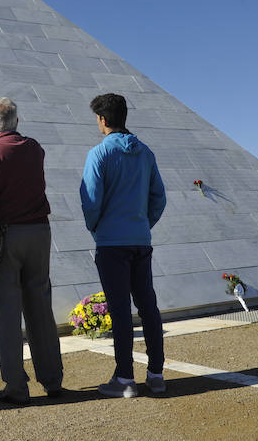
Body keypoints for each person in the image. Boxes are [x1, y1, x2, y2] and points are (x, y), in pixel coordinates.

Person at [0, 97, 64, 404]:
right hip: (40, 233)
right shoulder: (34, 148)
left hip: (5, 238)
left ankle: (16, 387)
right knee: (40, 306)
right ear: (17, 122)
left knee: (7, 312)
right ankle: (52, 378)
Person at [79, 93, 167, 397]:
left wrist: (96, 227)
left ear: (103, 120)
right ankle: (156, 374)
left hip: (111, 243)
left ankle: (125, 379)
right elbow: (159, 199)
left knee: (119, 311)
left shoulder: (99, 153)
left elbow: (91, 200)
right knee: (148, 307)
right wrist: (143, 224)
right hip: (140, 241)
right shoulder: (146, 153)